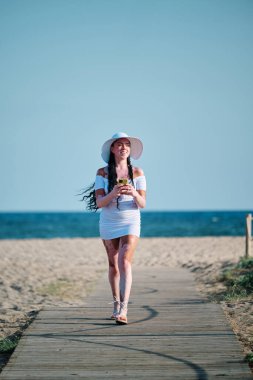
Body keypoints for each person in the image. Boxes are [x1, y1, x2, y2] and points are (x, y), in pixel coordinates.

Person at [86, 132, 146, 325]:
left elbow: (143, 203)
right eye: (119, 144)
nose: (123, 148)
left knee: (125, 261)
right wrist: (113, 193)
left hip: (130, 220)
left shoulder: (137, 172)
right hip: (109, 221)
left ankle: (124, 309)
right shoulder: (102, 173)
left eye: (126, 144)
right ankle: (115, 304)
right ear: (112, 149)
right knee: (113, 264)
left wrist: (134, 193)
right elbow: (100, 203)